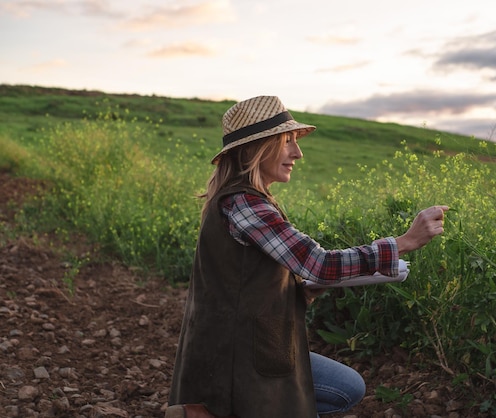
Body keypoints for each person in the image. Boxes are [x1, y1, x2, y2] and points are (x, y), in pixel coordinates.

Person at [166, 95, 448, 418]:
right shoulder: (244, 204)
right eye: (286, 141)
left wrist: (301, 290)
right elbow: (320, 263)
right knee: (319, 395)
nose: (297, 152)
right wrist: (405, 242)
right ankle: (207, 411)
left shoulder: (249, 202)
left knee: (347, 387)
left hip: (255, 346)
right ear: (254, 149)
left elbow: (252, 283)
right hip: (237, 358)